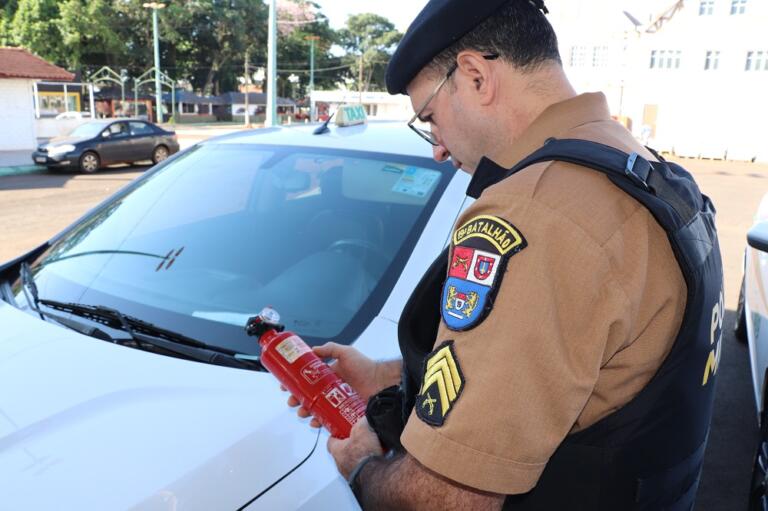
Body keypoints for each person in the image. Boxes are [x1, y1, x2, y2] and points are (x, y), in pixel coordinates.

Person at [287, 1, 724, 509]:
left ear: (475, 76)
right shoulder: (637, 165)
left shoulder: (536, 212)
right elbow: (562, 372)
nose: (436, 147)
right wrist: (381, 375)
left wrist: (361, 465)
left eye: (429, 117)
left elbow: (450, 499)